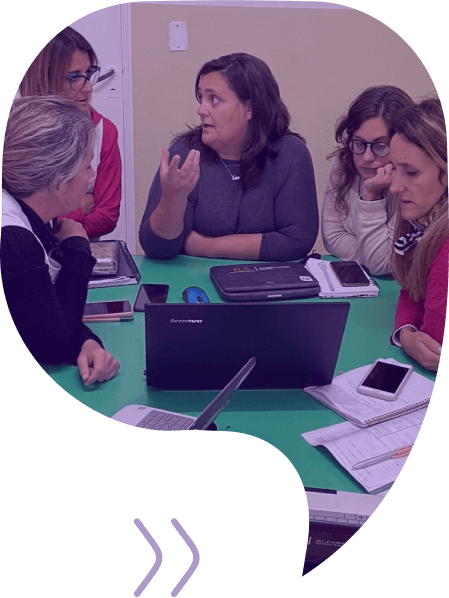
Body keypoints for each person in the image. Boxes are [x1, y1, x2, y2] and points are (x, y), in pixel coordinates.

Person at [140, 52, 318, 261]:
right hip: (195, 281)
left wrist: (207, 246)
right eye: (201, 98)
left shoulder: (290, 154)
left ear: (250, 108)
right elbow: (156, 249)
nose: (200, 110)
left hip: (268, 282)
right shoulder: (185, 153)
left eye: (213, 99)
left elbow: (297, 240)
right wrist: (173, 198)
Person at [2, 96, 120, 385]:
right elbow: (52, 347)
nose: (92, 176)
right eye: (86, 166)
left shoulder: (29, 212)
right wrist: (79, 248)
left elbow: (44, 310)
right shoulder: (13, 243)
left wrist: (87, 343)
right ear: (59, 183)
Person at [20, 26, 121, 240]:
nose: (88, 88)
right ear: (45, 79)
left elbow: (107, 216)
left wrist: (61, 219)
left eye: (89, 74)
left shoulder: (105, 131)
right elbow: (20, 219)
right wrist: (79, 207)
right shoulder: (16, 135)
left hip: (81, 251)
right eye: (74, 77)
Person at [322, 86, 414, 275]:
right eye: (359, 143)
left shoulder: (411, 181)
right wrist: (370, 255)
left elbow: (380, 264)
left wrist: (371, 195)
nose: (366, 157)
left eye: (380, 146)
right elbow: (332, 236)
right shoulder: (344, 162)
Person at [388, 98, 448, 372]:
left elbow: (434, 341)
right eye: (394, 169)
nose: (394, 187)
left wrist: (415, 340)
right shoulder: (426, 223)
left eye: (410, 172)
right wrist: (406, 333)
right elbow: (411, 290)